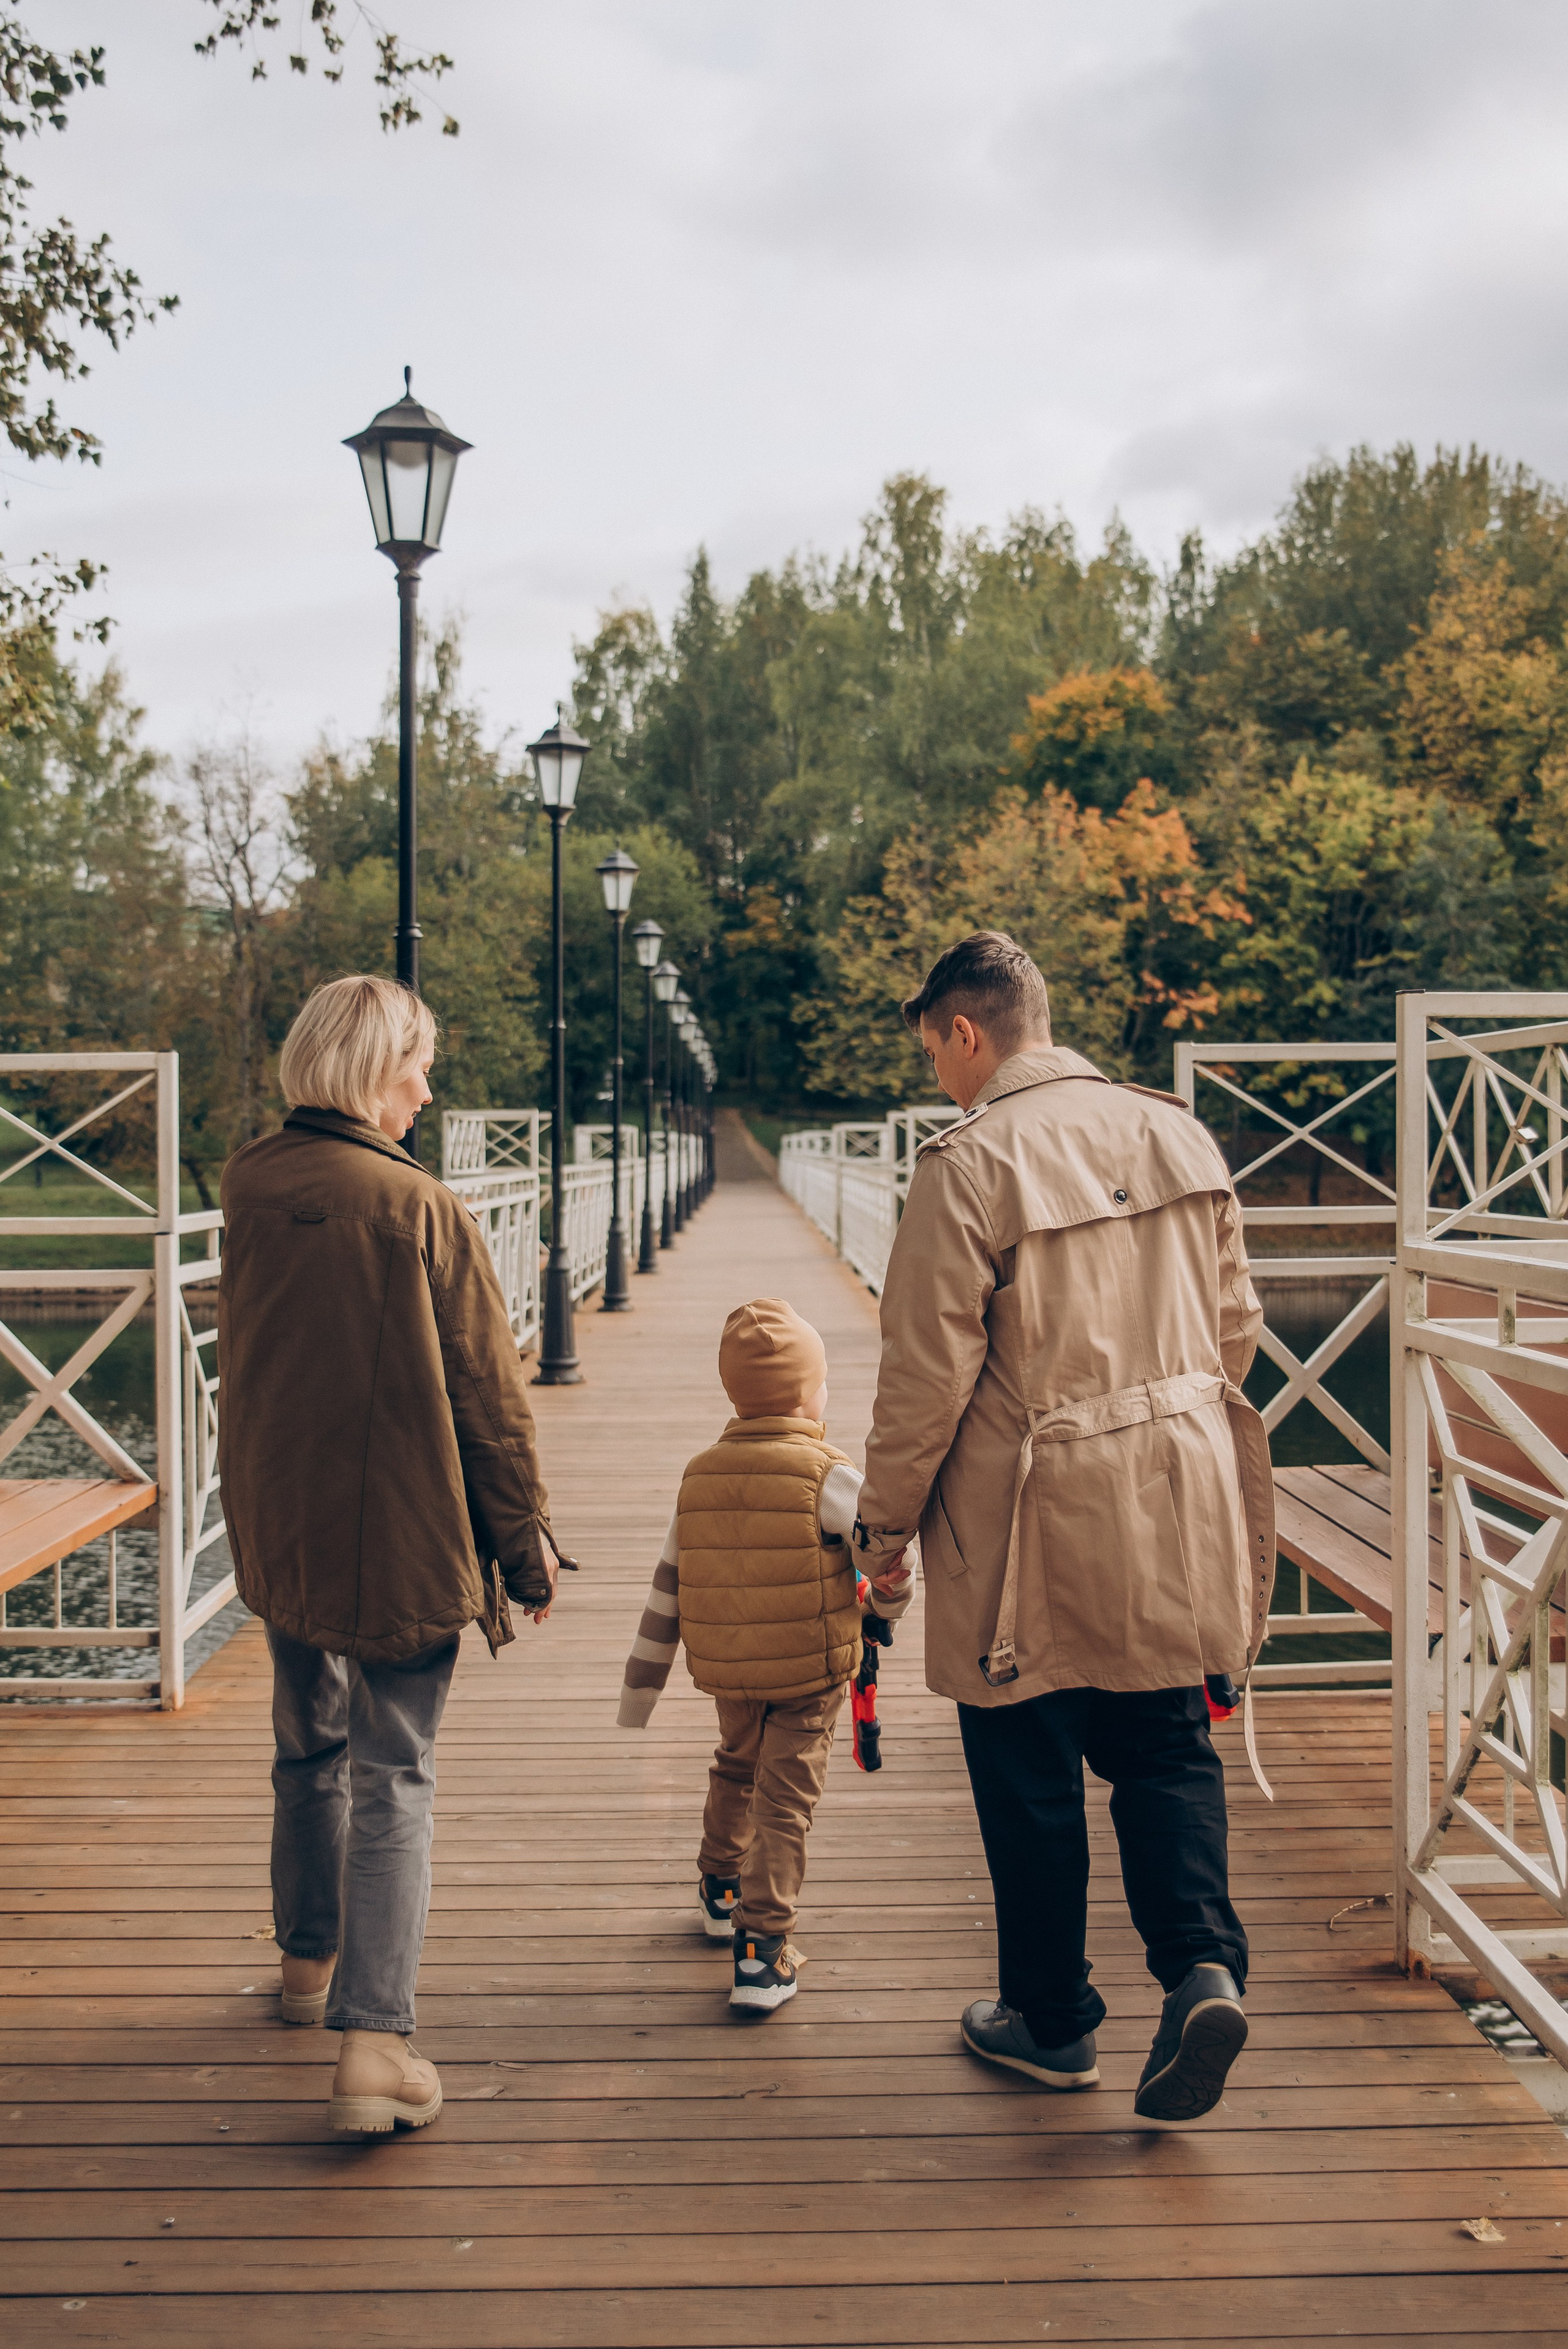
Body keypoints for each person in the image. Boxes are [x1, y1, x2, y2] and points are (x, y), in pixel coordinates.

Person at [851, 932, 1275, 2122]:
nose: (939, 1075)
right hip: (1176, 1496)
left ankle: (1050, 2023)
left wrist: (882, 1532)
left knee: (1028, 1768)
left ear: (965, 1032)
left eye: (935, 1050)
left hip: (1024, 1514)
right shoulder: (1176, 1133)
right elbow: (1233, 1329)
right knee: (1165, 1747)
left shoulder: (967, 1163)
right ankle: (1201, 1970)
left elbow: (924, 1379)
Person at [218, 975, 564, 2135]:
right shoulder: (421, 1207)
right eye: (416, 1067)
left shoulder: (250, 1182)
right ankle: (374, 2042)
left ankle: (304, 1964)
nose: (426, 1089)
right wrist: (525, 1550)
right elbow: (489, 1402)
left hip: (284, 1519)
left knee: (306, 1744)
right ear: (372, 1072)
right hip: (402, 1530)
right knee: (394, 1769)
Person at [616, 1297, 913, 2012]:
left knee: (736, 1764)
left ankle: (720, 1888)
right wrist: (888, 1604)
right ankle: (762, 1950)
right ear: (808, 1395)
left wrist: (641, 1687)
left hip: (731, 1671)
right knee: (785, 1802)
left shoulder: (700, 1474)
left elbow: (668, 1582)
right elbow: (883, 1558)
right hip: (810, 1672)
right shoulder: (827, 1473)